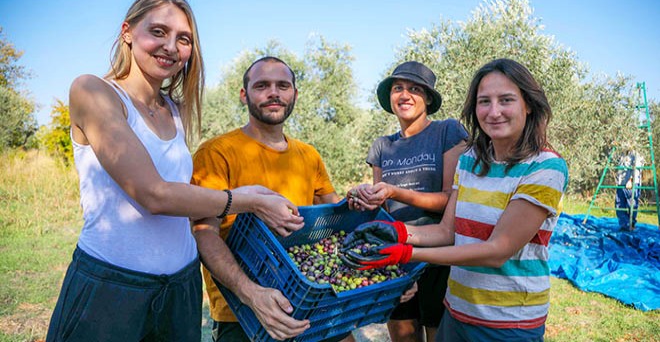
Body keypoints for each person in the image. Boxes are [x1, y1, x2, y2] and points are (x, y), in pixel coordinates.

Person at [46, 0, 308, 342]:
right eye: (158, 31)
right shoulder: (93, 91)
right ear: (127, 32)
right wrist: (248, 199)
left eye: (183, 39)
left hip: (181, 288)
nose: (171, 46)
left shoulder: (176, 109)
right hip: (112, 285)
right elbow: (154, 195)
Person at [342, 58, 569, 342]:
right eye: (484, 101)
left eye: (506, 100)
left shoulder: (545, 167)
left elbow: (497, 250)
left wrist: (406, 253)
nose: (494, 111)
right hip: (457, 311)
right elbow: (446, 231)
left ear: (529, 105)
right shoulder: (471, 160)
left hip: (508, 323)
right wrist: (397, 232)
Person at [191, 56, 356, 342]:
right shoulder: (215, 153)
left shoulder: (309, 155)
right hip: (243, 312)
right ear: (244, 95)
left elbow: (339, 219)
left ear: (294, 93)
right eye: (262, 85)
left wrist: (361, 201)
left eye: (283, 85)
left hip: (309, 301)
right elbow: (204, 233)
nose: (274, 93)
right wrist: (251, 294)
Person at [347, 61, 468, 342]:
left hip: (440, 256)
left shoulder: (447, 132)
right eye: (398, 88)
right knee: (403, 335)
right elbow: (383, 209)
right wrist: (363, 198)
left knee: (440, 335)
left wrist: (395, 191)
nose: (405, 94)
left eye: (415, 89)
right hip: (395, 256)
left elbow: (452, 201)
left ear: (427, 98)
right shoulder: (381, 146)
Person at [615, 149, 644, 231]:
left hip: (631, 184)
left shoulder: (636, 153)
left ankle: (631, 225)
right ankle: (624, 225)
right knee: (619, 205)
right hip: (621, 183)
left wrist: (630, 180)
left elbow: (637, 168)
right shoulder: (622, 153)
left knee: (631, 205)